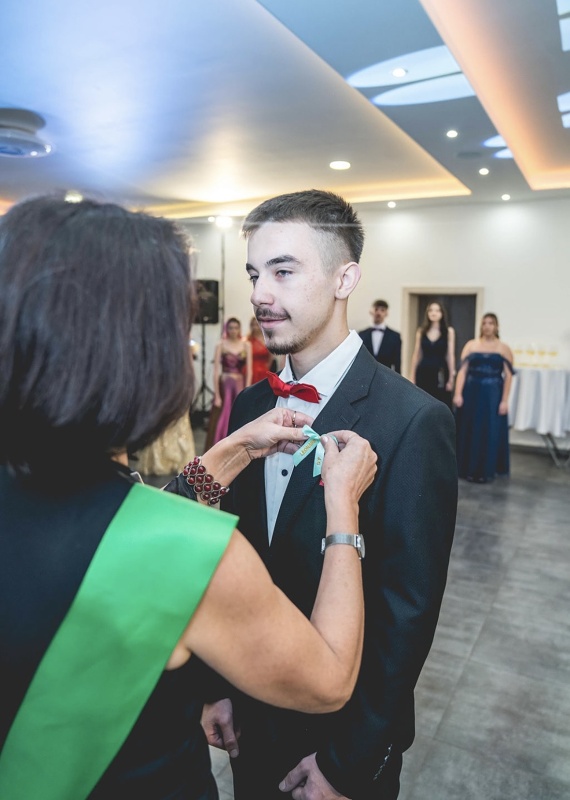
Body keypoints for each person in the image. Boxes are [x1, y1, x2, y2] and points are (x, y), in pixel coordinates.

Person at [0, 195, 378, 800]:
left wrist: (229, 451)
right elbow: (330, 678)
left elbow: (115, 518)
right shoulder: (189, 557)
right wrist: (342, 509)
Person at [202, 189, 458, 800]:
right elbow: (232, 556)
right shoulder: (253, 403)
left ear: (346, 278)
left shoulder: (413, 421)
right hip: (250, 719)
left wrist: (349, 761)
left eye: (283, 271)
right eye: (254, 274)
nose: (260, 294)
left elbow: (407, 612)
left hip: (336, 740)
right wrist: (218, 684)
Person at [454, 312, 514, 482]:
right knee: (470, 428)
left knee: (489, 430)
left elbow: (508, 376)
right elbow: (462, 371)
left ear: (496, 326)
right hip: (471, 392)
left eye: (491, 323)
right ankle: (466, 468)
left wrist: (504, 400)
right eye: (484, 323)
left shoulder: (504, 348)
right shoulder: (471, 345)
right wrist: (458, 393)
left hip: (492, 394)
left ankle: (486, 470)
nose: (487, 326)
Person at [207, 317, 252, 448]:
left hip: (239, 384)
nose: (233, 330)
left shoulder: (246, 345)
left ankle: (238, 446)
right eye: (231, 328)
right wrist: (217, 395)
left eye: (236, 328)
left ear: (239, 329)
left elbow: (249, 370)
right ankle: (221, 446)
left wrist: (247, 391)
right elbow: (216, 371)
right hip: (225, 385)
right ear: (226, 329)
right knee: (224, 414)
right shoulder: (220, 345)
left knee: (239, 414)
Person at [409, 301, 456, 407]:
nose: (434, 313)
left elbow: (450, 355)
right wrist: (412, 376)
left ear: (442, 313)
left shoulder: (448, 331)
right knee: (422, 401)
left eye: (437, 310)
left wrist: (451, 378)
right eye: (431, 310)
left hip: (440, 371)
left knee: (440, 401)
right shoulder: (421, 331)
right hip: (423, 370)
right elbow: (417, 354)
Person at [358, 299, 401, 372]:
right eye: (376, 309)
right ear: (371, 312)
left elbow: (397, 363)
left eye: (382, 310)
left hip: (385, 375)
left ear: (386, 313)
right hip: (366, 373)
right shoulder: (362, 334)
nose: (378, 313)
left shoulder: (395, 336)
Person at [248, 315, 273, 383]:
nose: (255, 327)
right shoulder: (248, 339)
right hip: (250, 370)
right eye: (253, 325)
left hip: (264, 370)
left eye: (256, 324)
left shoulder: (267, 339)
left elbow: (270, 357)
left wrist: (266, 368)